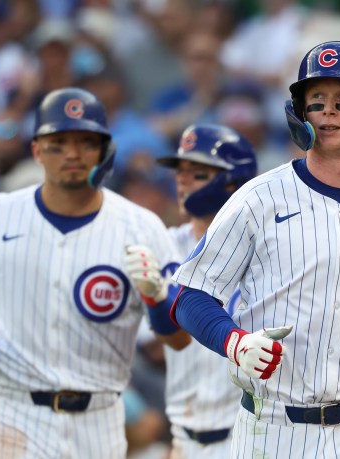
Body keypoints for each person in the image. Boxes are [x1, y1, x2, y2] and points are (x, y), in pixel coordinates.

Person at [169, 41, 340, 458]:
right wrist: (235, 343)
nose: (328, 111)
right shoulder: (258, 198)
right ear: (300, 114)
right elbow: (191, 294)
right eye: (315, 101)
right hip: (271, 423)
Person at [0, 87, 190, 458]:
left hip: (98, 418)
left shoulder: (142, 228)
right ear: (37, 150)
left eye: (86, 142)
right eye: (59, 142)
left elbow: (179, 340)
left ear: (105, 150)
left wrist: (157, 298)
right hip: (10, 410)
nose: (72, 153)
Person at [134, 124, 258, 458]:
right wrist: (154, 299)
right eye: (180, 173)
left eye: (198, 174)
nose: (182, 181)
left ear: (234, 181)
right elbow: (167, 344)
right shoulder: (164, 245)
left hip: (251, 435)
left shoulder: (266, 251)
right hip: (185, 437)